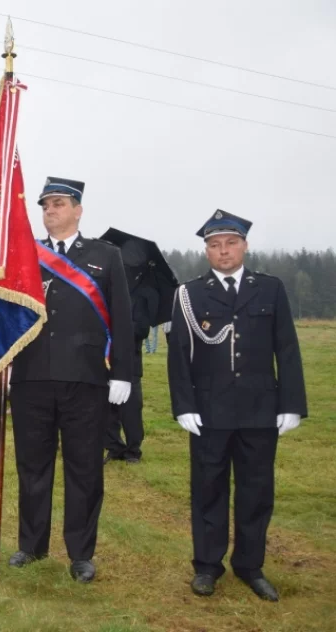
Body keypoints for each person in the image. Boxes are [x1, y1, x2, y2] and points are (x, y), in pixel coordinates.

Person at [168, 210, 307, 602]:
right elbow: (178, 354)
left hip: (261, 409)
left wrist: (291, 403)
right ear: (207, 251)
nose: (223, 251)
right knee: (208, 489)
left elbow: (288, 348)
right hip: (209, 412)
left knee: (256, 490)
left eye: (230, 243)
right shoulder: (190, 294)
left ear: (245, 246)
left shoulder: (270, 288)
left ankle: (251, 565)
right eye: (214, 245)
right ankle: (208, 566)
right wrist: (184, 405)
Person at [7, 177, 134, 583]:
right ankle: (31, 544)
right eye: (45, 205)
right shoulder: (25, 255)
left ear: (78, 209)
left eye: (59, 204)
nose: (50, 210)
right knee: (32, 465)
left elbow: (123, 317)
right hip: (32, 377)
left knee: (84, 468)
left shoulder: (105, 255)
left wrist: (124, 373)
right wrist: (4, 364)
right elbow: (10, 313)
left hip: (86, 378)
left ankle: (81, 552)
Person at [106, 284, 158, 464]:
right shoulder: (104, 294)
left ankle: (133, 449)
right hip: (104, 361)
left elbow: (142, 329)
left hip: (130, 362)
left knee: (131, 408)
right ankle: (114, 447)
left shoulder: (138, 297)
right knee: (107, 408)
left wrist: (118, 328)